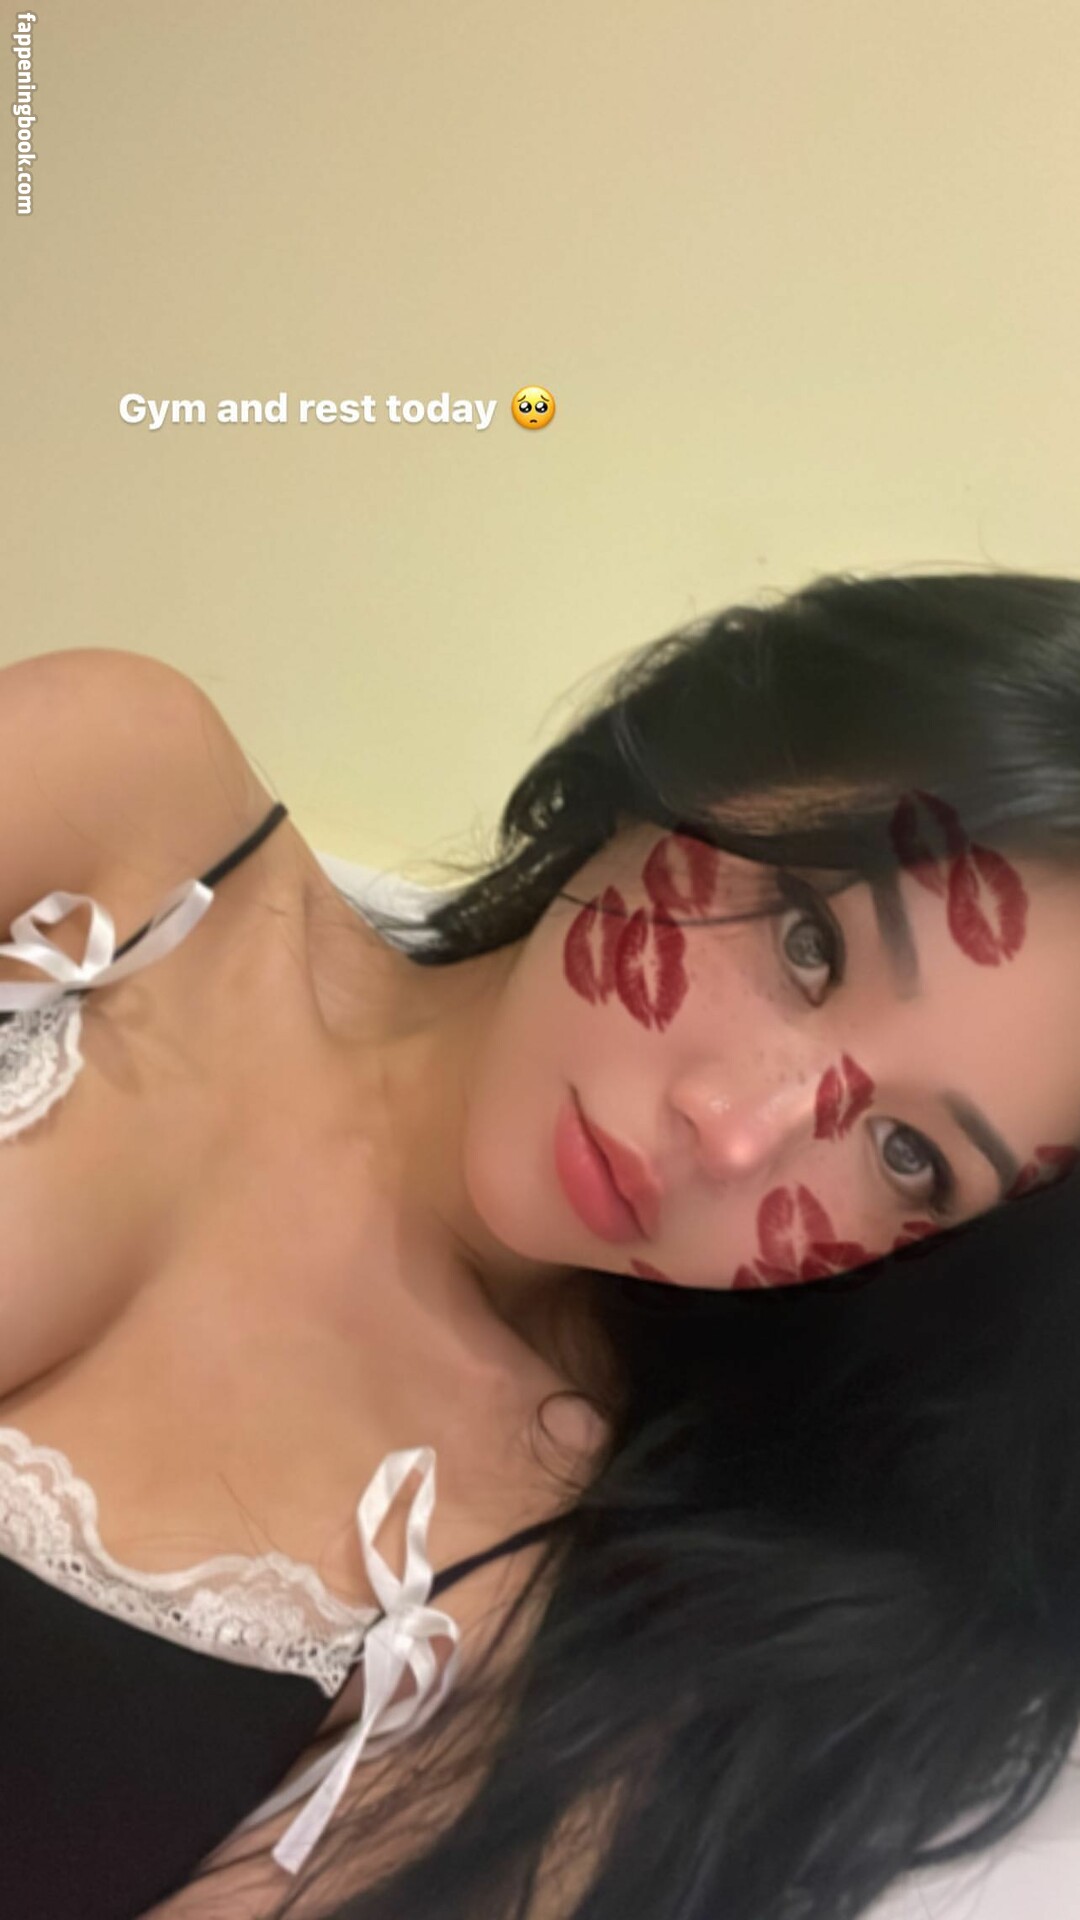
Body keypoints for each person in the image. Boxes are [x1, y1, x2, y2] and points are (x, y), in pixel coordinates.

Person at [7, 568, 1080, 1920]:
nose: (733, 1136)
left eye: (907, 1155)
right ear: (725, 758)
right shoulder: (129, 810)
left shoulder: (552, 1618)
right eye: (810, 941)